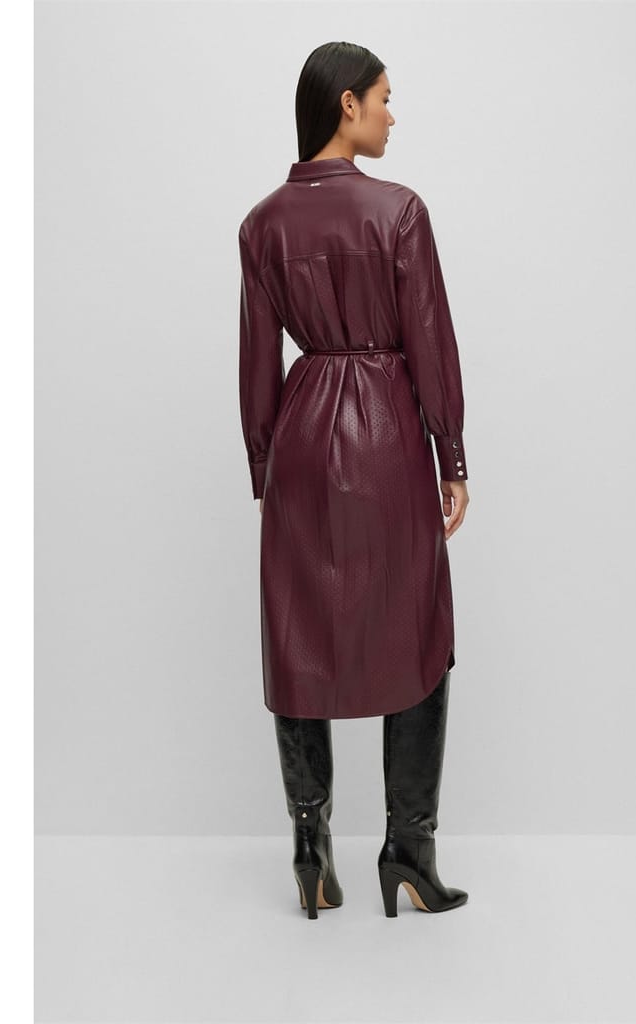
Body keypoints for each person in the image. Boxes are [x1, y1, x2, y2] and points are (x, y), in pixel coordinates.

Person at [237, 41, 471, 919]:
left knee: (298, 633)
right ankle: (409, 849)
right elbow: (430, 341)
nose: (391, 114)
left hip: (300, 443)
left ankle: (311, 849)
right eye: (383, 97)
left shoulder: (262, 225)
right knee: (420, 628)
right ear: (347, 105)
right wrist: (451, 454)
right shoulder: (399, 211)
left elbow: (257, 364)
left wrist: (265, 467)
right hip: (386, 442)